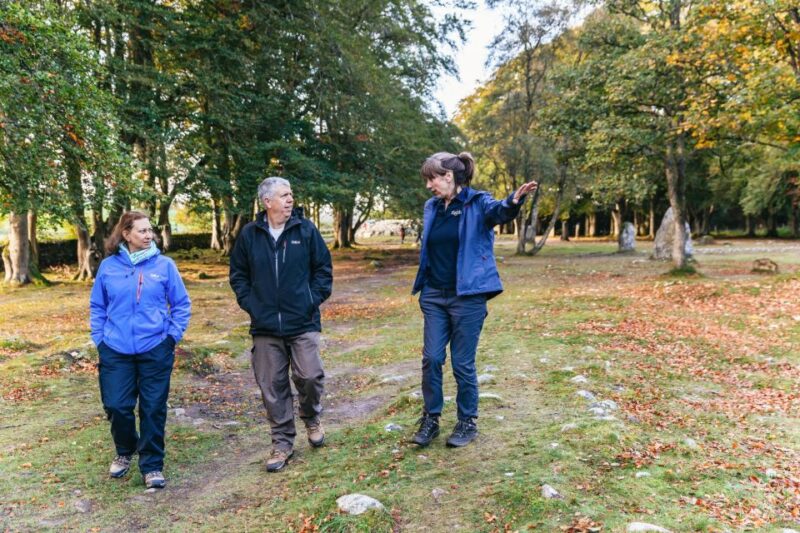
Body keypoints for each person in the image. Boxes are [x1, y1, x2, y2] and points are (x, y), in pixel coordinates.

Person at [410, 152, 537, 448]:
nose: (428, 185)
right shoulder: (432, 207)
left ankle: (467, 421)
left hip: (468, 297)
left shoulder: (477, 202)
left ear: (449, 176)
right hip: (434, 295)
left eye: (432, 178)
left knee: (462, 362)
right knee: (431, 358)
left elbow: (499, 212)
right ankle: (431, 418)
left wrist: (513, 201)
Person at [229, 176, 333, 473]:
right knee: (271, 386)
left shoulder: (306, 230)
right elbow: (238, 274)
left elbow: (323, 269)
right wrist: (252, 304)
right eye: (284, 195)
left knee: (310, 376)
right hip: (264, 326)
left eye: (291, 195)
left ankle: (311, 415)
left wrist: (310, 299)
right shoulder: (250, 235)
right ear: (267, 202)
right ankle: (282, 442)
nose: (290, 200)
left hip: (302, 320)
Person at [89, 211, 191, 489]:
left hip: (155, 347)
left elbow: (181, 305)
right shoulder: (108, 267)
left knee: (153, 408)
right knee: (116, 405)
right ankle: (125, 450)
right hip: (115, 348)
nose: (149, 235)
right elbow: (98, 306)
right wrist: (100, 339)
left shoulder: (165, 266)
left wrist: (171, 338)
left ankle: (152, 466)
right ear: (126, 234)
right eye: (143, 231)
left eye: (151, 231)